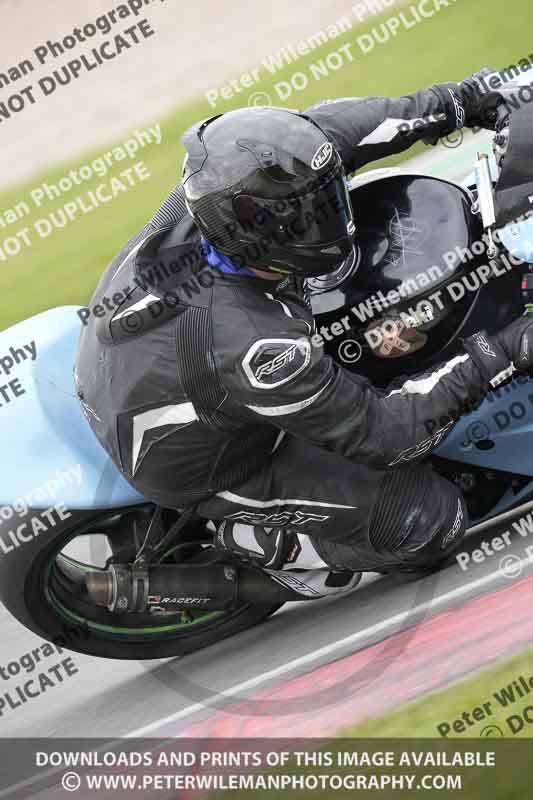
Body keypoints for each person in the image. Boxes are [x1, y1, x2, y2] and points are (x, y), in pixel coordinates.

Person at [75, 69, 533, 595]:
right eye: (311, 215)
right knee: (429, 520)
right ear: (264, 234)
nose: (333, 215)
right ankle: (261, 549)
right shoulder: (254, 344)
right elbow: (387, 436)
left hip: (141, 364)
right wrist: (502, 350)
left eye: (328, 198)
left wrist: (469, 101)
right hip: (214, 466)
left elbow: (344, 130)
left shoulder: (224, 188)